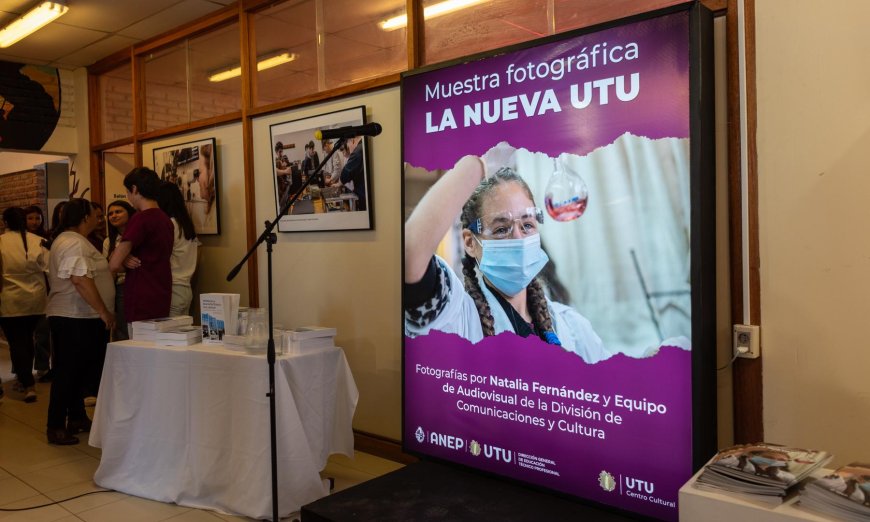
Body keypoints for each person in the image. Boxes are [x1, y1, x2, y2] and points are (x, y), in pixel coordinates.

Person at [403, 143, 609, 364]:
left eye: (527, 225)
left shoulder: (573, 327)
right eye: (501, 229)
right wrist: (481, 163)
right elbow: (410, 254)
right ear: (470, 243)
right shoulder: (457, 318)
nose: (519, 239)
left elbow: (610, 388)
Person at [44, 198, 115, 445]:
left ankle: (76, 417)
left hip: (80, 317)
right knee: (67, 372)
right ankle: (55, 425)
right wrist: (103, 311)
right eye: (95, 214)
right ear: (84, 217)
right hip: (74, 317)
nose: (100, 218)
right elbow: (80, 279)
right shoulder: (73, 242)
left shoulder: (74, 240)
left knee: (77, 371)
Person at [109, 167, 174, 331]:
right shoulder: (165, 218)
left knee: (139, 350)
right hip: (161, 291)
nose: (128, 197)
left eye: (128, 192)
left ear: (135, 189)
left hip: (141, 295)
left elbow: (114, 264)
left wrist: (123, 257)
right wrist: (127, 257)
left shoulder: (141, 218)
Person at [0, 207, 49, 403]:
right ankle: (25, 379)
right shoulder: (37, 240)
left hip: (10, 299)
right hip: (36, 299)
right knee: (28, 340)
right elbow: (48, 267)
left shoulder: (2, 242)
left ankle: (27, 383)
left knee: (17, 342)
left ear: (5, 222)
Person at [156, 182, 200, 316]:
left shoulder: (169, 224)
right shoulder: (185, 224)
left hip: (172, 288)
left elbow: (160, 255)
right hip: (185, 288)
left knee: (168, 336)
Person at [23, 205, 51, 381]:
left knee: (43, 333)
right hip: (22, 292)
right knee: (22, 337)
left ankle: (42, 367)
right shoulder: (19, 241)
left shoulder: (45, 240)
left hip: (44, 291)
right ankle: (22, 371)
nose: (34, 222)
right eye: (30, 218)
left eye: (37, 218)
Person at [102, 200, 136, 341]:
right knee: (120, 329)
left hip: (136, 286)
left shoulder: (137, 234)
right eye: (110, 213)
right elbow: (108, 266)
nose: (114, 216)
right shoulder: (108, 241)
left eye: (118, 211)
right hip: (116, 287)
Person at [339, 136, 366, 210]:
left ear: (352, 141)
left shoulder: (358, 151)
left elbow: (345, 175)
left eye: (347, 145)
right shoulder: (362, 147)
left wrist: (339, 183)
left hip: (363, 196)